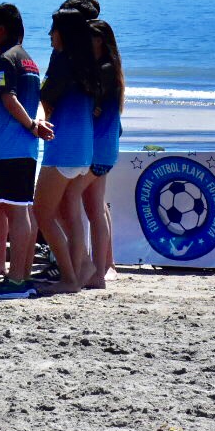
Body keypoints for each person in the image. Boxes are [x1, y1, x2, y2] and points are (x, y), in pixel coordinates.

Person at [0, 3, 49, 301]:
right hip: (24, 146)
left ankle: (16, 279)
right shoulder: (30, 61)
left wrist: (31, 125)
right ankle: (23, 275)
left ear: (1, 29)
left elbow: (8, 98)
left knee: (17, 211)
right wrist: (34, 125)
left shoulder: (5, 60)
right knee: (23, 209)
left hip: (9, 144)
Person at [35, 7, 99, 294]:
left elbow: (46, 101)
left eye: (53, 29)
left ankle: (70, 277)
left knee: (43, 213)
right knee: (69, 212)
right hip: (84, 147)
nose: (50, 35)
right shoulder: (90, 64)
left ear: (64, 33)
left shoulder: (63, 61)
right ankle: (83, 265)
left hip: (63, 147)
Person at [83, 18, 124, 290]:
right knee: (97, 206)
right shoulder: (110, 70)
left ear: (99, 40)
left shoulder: (105, 70)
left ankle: (97, 269)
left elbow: (93, 109)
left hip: (98, 145)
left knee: (89, 207)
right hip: (104, 144)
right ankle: (103, 266)